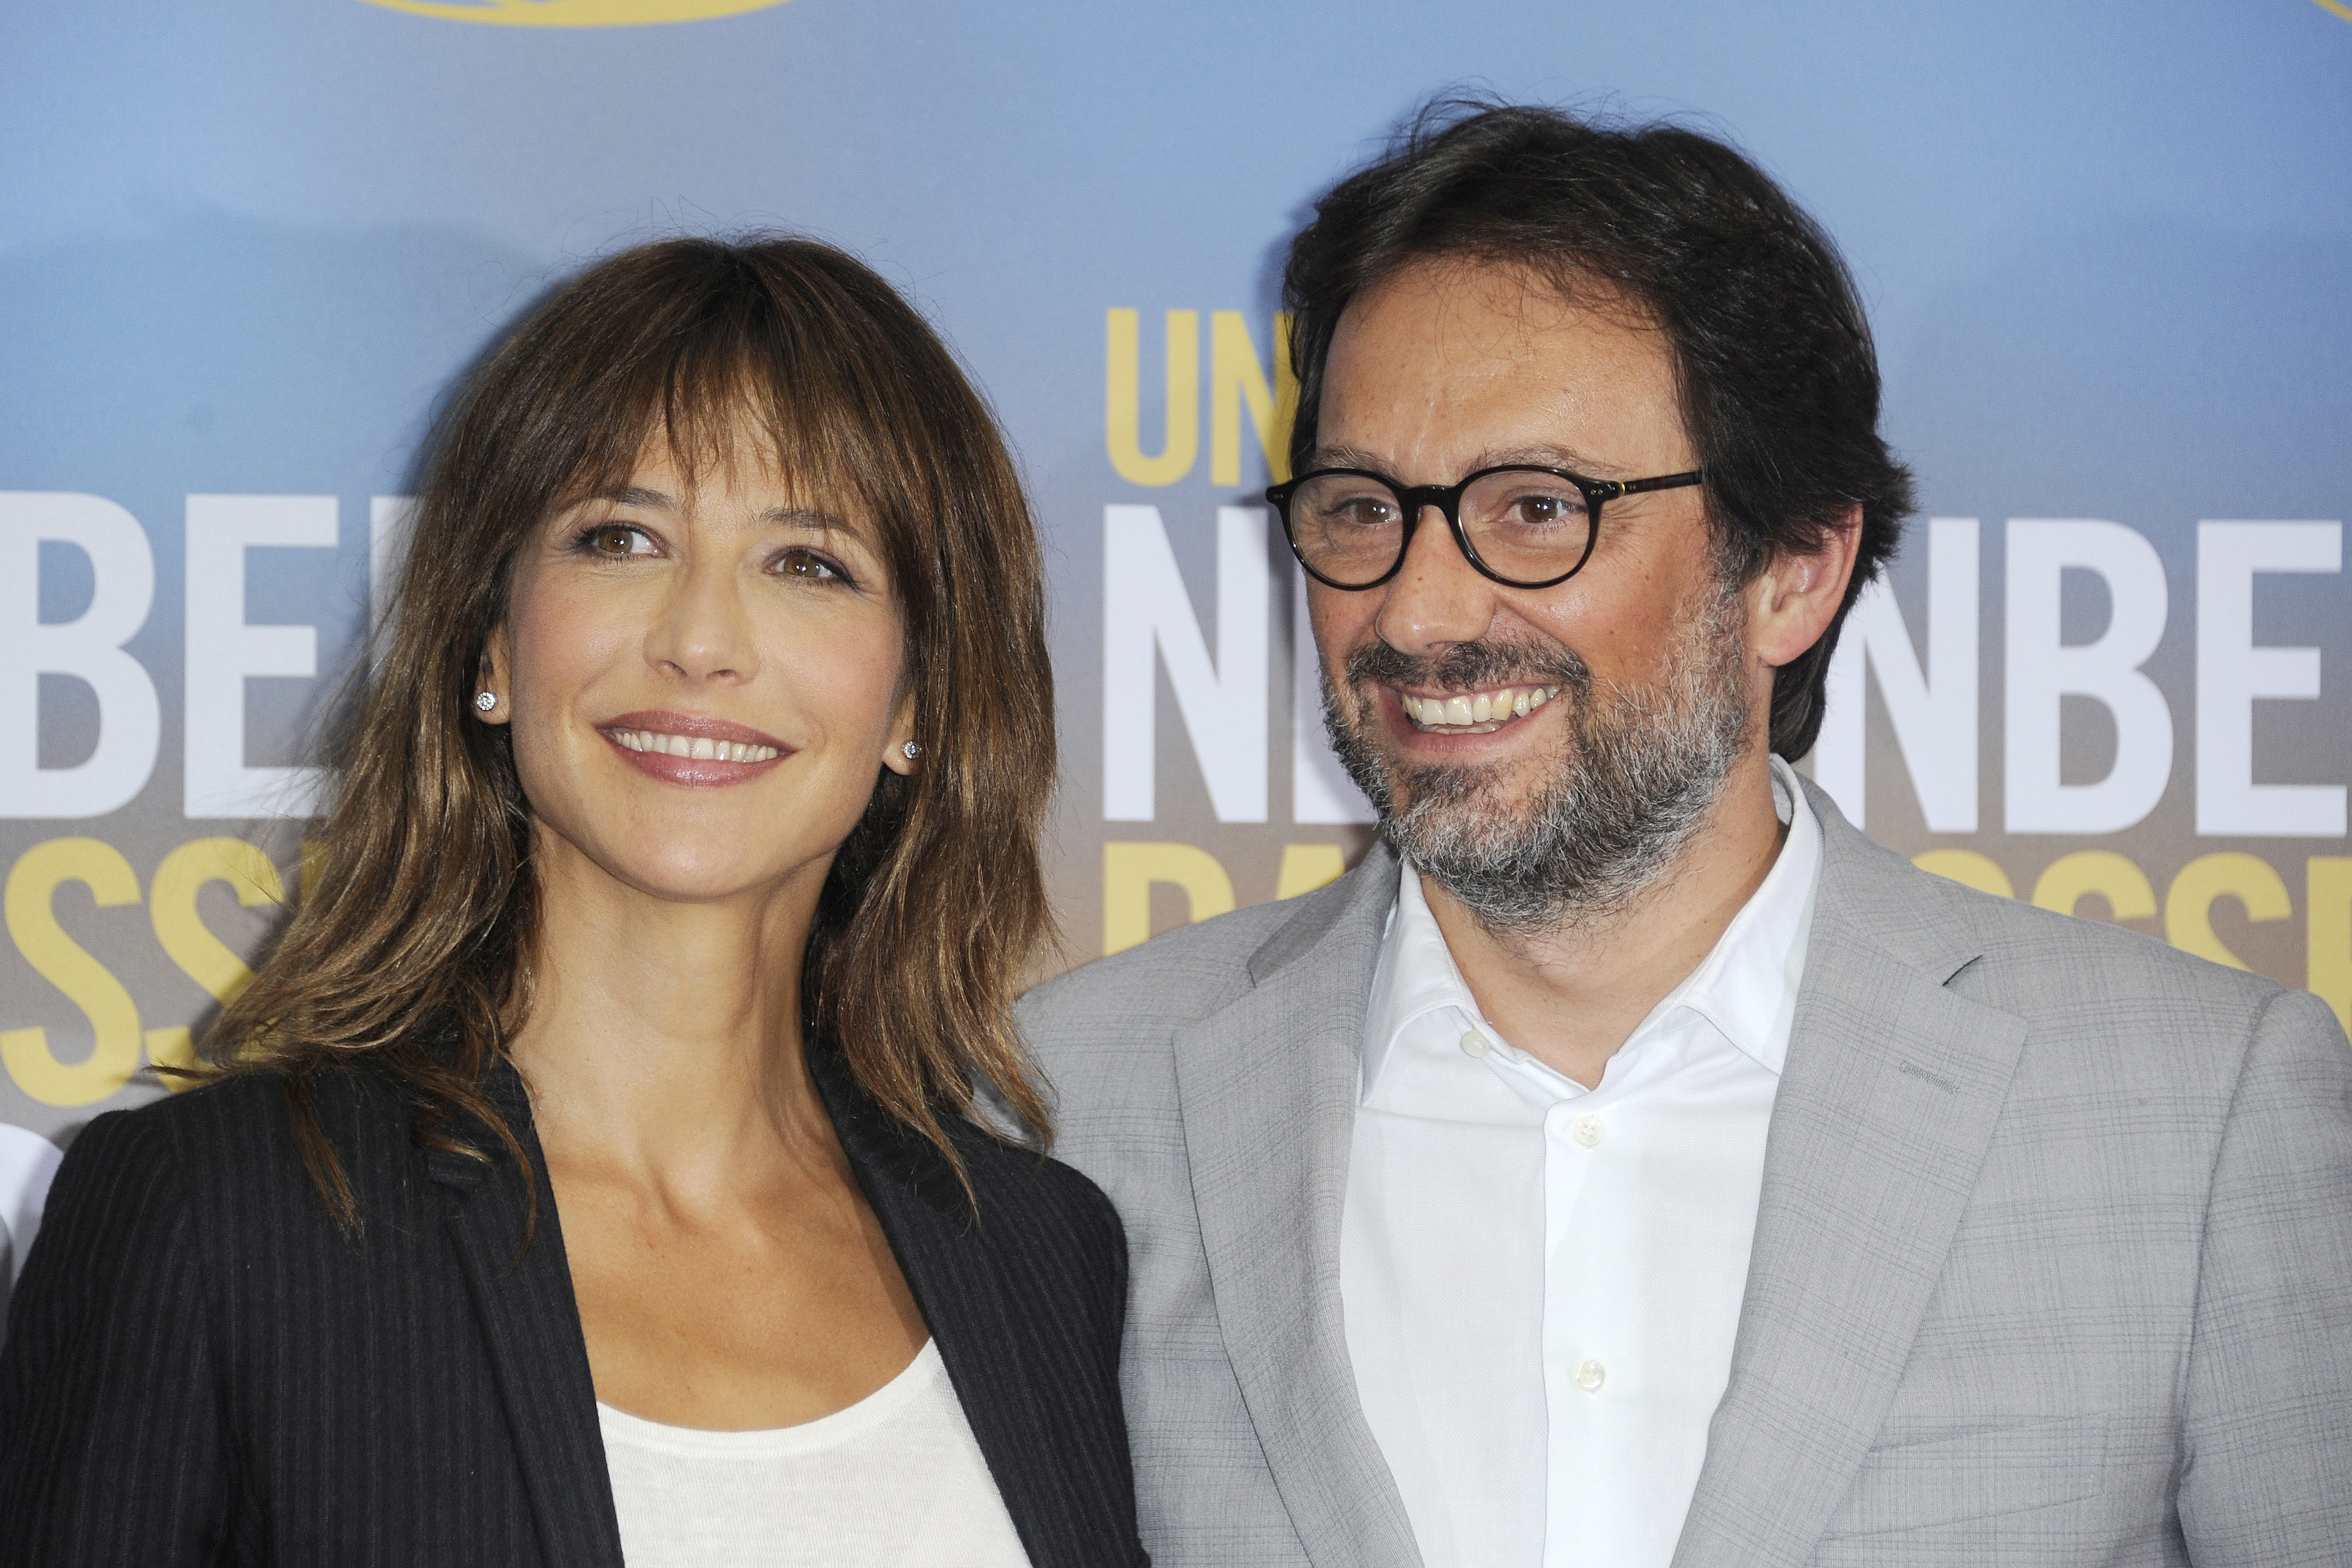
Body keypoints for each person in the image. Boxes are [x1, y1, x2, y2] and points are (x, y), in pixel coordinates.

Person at [1018, 102, 2352, 1568]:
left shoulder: (2196, 1114)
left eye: (1537, 508)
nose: (1414, 609)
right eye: (1360, 509)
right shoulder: (1063, 1107)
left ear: (1793, 569)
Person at [0, 236, 1145, 1568]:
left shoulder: (1042, 1253)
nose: (700, 639)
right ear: (492, 641)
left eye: (808, 562)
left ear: (916, 700)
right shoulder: (217, 1217)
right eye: (621, 538)